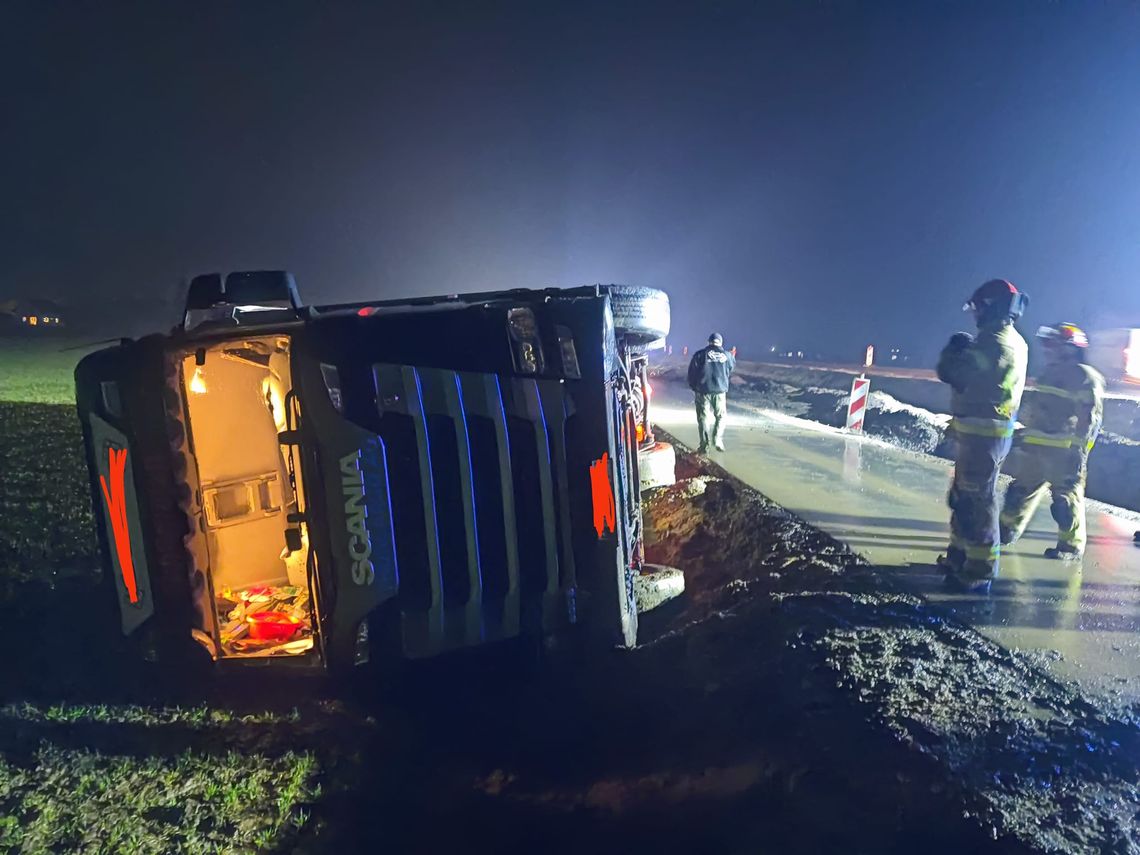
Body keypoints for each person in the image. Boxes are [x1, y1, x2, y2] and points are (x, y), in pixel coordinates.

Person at [935, 279, 1029, 590]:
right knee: (965, 497)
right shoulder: (1010, 340)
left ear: (989, 308)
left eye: (977, 309)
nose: (974, 315)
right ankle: (960, 555)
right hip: (982, 435)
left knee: (977, 500)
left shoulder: (995, 343)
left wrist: (954, 352)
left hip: (982, 436)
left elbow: (956, 375)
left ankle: (980, 567)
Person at [999, 324, 1104, 561]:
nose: (1047, 349)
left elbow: (1090, 419)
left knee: (1064, 505)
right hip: (1036, 451)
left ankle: (1070, 547)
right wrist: (1024, 435)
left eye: (1053, 344)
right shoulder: (1049, 372)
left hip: (1063, 454)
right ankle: (1005, 533)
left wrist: (1080, 451)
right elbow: (1037, 409)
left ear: (1070, 348)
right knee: (1017, 493)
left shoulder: (1084, 376)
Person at [688, 332, 736, 453]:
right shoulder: (728, 356)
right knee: (721, 416)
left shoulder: (700, 355)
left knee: (703, 418)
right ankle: (717, 439)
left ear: (708, 342)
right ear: (721, 343)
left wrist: (694, 387)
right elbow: (730, 369)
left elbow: (692, 373)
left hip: (702, 391)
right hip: (719, 392)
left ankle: (704, 446)